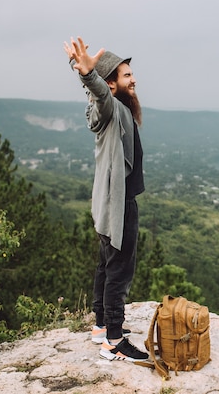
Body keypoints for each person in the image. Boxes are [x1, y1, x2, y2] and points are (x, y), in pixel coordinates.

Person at [64, 36, 148, 362]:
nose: (134, 79)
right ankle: (114, 340)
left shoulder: (119, 112)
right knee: (120, 271)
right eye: (126, 75)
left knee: (106, 265)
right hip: (118, 206)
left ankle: (101, 325)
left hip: (106, 204)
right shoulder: (111, 107)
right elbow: (99, 95)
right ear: (111, 84)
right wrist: (88, 75)